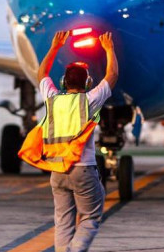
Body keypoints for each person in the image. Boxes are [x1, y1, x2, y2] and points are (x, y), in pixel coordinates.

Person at [37, 30, 119, 252]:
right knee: (91, 216)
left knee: (62, 222)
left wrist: (55, 47)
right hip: (82, 170)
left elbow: (42, 73)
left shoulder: (52, 100)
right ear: (88, 82)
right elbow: (111, 76)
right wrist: (109, 49)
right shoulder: (89, 100)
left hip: (57, 171)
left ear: (63, 82)